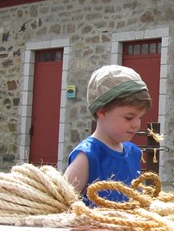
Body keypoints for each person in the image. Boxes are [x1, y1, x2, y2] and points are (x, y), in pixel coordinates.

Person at [64, 65, 151, 206]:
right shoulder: (87, 157)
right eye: (129, 117)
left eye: (139, 117)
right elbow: (61, 205)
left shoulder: (134, 152)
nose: (136, 124)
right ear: (102, 112)